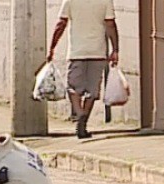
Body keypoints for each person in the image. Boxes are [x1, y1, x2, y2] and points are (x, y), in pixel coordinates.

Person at [45, 0, 118, 140]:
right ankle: (83, 122)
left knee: (73, 88)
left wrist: (52, 47)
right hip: (98, 51)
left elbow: (61, 24)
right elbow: (110, 25)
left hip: (76, 52)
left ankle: (80, 114)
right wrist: (115, 49)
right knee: (92, 90)